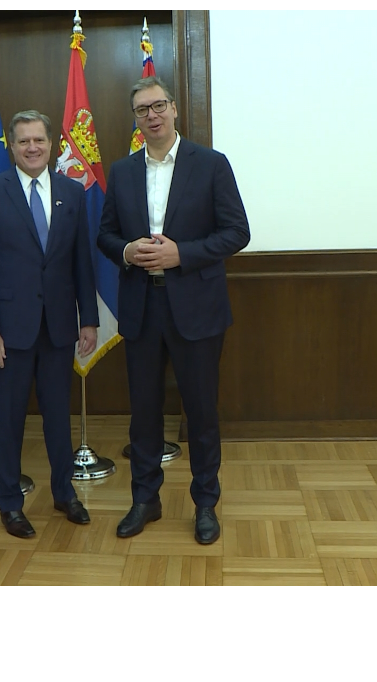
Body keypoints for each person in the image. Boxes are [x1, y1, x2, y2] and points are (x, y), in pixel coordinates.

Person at [97, 76, 250, 544]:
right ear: (136, 119)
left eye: (159, 105)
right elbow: (105, 235)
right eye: (142, 110)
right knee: (143, 412)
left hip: (196, 308)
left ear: (175, 109)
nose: (152, 115)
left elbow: (237, 232)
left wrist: (182, 253)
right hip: (141, 306)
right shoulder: (122, 171)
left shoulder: (211, 164)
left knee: (200, 412)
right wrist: (127, 251)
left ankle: (205, 504)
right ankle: (145, 499)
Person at [0, 110, 99, 538]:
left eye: (39, 140)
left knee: (58, 417)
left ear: (51, 144)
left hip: (58, 327)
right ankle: (10, 503)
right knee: (9, 421)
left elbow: (81, 261)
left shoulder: (71, 192)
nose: (32, 147)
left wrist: (89, 319)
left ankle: (64, 493)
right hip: (8, 331)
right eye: (23, 141)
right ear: (12, 146)